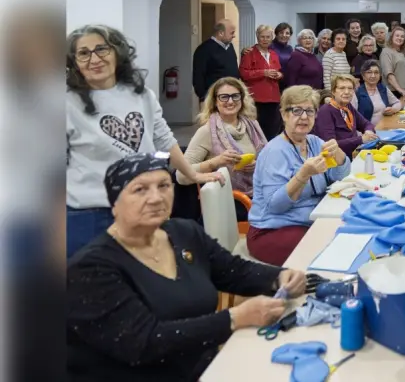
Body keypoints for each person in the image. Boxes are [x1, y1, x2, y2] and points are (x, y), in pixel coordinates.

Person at [67, 152, 307, 382]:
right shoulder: (91, 269)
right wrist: (234, 318)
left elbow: (235, 271)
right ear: (114, 203)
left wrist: (280, 277)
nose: (156, 197)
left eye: (164, 185)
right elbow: (144, 342)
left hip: (203, 367)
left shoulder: (183, 233)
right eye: (140, 189)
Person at [66, 25, 221, 259]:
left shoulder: (140, 94)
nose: (94, 59)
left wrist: (192, 174)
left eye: (101, 49)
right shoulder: (66, 102)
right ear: (73, 61)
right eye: (84, 53)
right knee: (94, 290)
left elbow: (163, 138)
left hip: (144, 207)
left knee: (142, 286)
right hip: (92, 215)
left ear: (117, 52)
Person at [247, 86, 351, 266]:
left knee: (349, 233)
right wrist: (302, 175)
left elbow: (340, 179)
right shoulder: (275, 151)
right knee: (336, 249)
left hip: (307, 222)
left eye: (309, 111)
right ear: (284, 114)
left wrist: (340, 156)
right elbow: (276, 206)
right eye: (296, 110)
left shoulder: (314, 142)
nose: (304, 117)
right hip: (272, 231)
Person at [176, 77, 267, 221]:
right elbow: (181, 176)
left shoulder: (253, 126)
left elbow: (267, 159)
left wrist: (257, 164)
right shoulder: (206, 132)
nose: (230, 101)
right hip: (228, 202)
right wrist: (216, 161)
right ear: (215, 101)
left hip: (259, 194)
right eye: (224, 97)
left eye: (235, 96)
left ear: (242, 99)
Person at [314, 74, 378, 157]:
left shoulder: (348, 107)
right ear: (333, 91)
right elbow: (330, 146)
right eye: (342, 88)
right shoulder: (325, 111)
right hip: (337, 163)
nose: (347, 92)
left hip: (353, 155)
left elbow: (366, 124)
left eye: (350, 88)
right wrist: (361, 139)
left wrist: (368, 131)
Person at [239, 24, 282, 140]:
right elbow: (244, 74)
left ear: (272, 38)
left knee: (273, 129)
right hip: (257, 98)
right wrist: (263, 73)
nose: (265, 40)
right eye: (262, 37)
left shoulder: (273, 54)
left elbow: (278, 71)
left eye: (268, 37)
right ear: (257, 37)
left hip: (273, 98)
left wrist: (279, 75)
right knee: (258, 130)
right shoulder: (249, 53)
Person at [192, 19, 238, 101]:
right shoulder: (204, 49)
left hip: (231, 96)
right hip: (214, 98)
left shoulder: (230, 47)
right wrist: (204, 97)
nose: (234, 36)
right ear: (221, 33)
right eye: (232, 33)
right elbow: (198, 77)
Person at [352, 59, 402, 126]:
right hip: (367, 132)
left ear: (380, 75)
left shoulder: (383, 88)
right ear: (363, 76)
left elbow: (397, 102)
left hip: (386, 127)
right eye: (369, 72)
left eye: (376, 72)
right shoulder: (357, 92)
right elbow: (352, 117)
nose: (373, 76)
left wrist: (393, 109)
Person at [380, 26, 405, 99]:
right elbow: (389, 74)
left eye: (402, 36)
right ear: (391, 37)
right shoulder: (386, 51)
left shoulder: (403, 53)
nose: (399, 38)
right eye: (397, 35)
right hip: (393, 92)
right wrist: (400, 90)